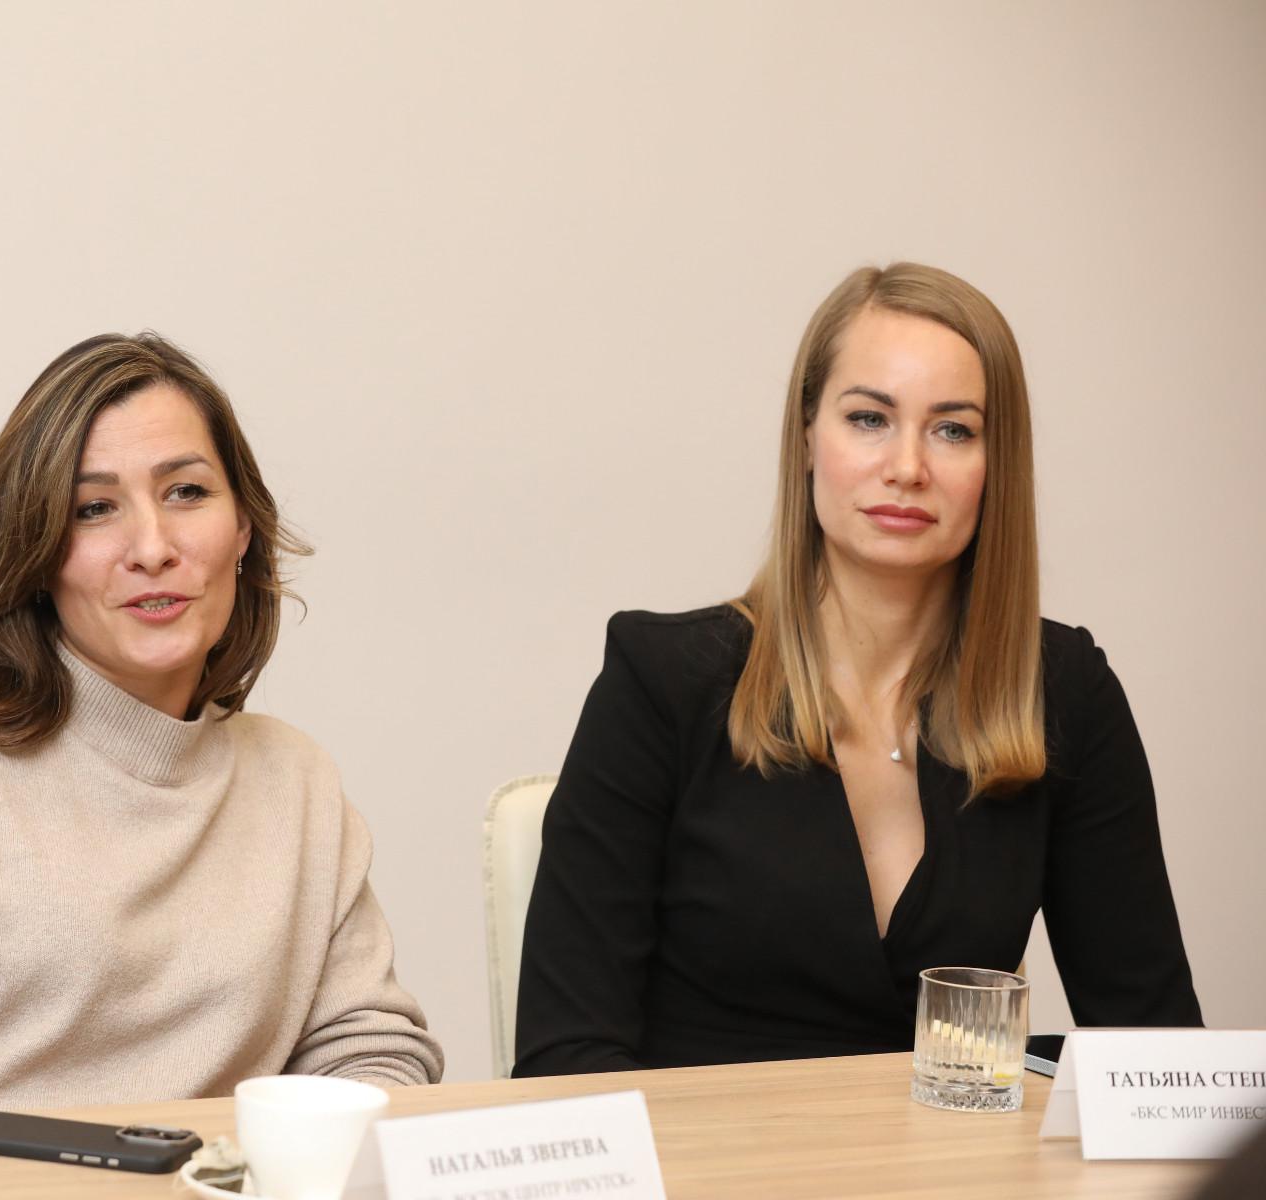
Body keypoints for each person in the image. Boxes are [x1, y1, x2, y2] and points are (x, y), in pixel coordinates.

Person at [0, 334, 443, 1125]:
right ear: (37, 551)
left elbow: (372, 1052)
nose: (153, 549)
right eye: (94, 509)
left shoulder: (295, 782)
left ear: (242, 529)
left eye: (187, 492)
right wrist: (45, 1175)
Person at [513, 263, 1201, 1076]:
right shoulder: (661, 681)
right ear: (808, 436)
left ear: (997, 463)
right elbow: (565, 1061)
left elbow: (1158, 1059)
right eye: (870, 418)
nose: (907, 466)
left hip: (953, 1153)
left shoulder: (1063, 691)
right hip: (701, 1152)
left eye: (954, 430)